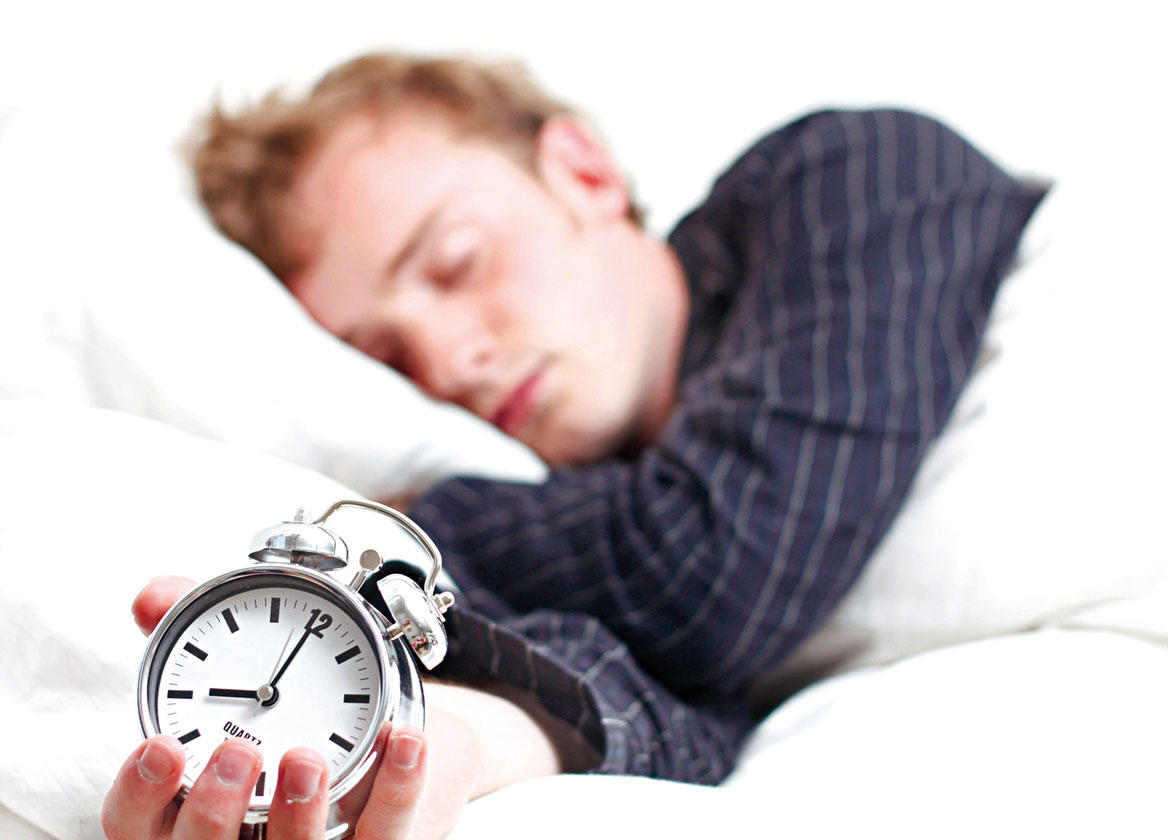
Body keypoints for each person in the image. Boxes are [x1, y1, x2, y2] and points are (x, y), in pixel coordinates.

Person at [102, 53, 1046, 839]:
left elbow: (714, 573)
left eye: (455, 263)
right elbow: (687, 705)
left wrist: (412, 528)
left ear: (583, 173)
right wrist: (460, 739)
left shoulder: (853, 175)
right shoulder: (583, 525)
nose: (448, 360)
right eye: (390, 360)